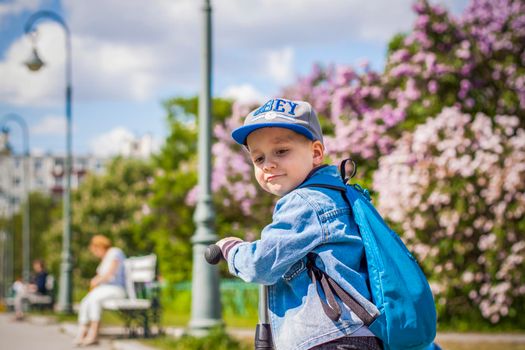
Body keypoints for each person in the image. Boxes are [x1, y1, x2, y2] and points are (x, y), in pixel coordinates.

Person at [215, 98, 383, 350]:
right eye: (258, 159)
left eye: (281, 151)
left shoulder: (305, 201)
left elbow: (261, 263)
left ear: (316, 153)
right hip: (358, 334)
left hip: (329, 337)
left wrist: (232, 250)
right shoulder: (341, 195)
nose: (268, 164)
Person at [74, 235, 126, 346]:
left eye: (95, 250)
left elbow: (110, 273)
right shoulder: (104, 259)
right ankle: (82, 332)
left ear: (99, 246)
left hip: (116, 289)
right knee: (85, 301)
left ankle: (93, 334)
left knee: (94, 299)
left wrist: (97, 280)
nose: (95, 254)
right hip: (105, 290)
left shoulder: (114, 252)